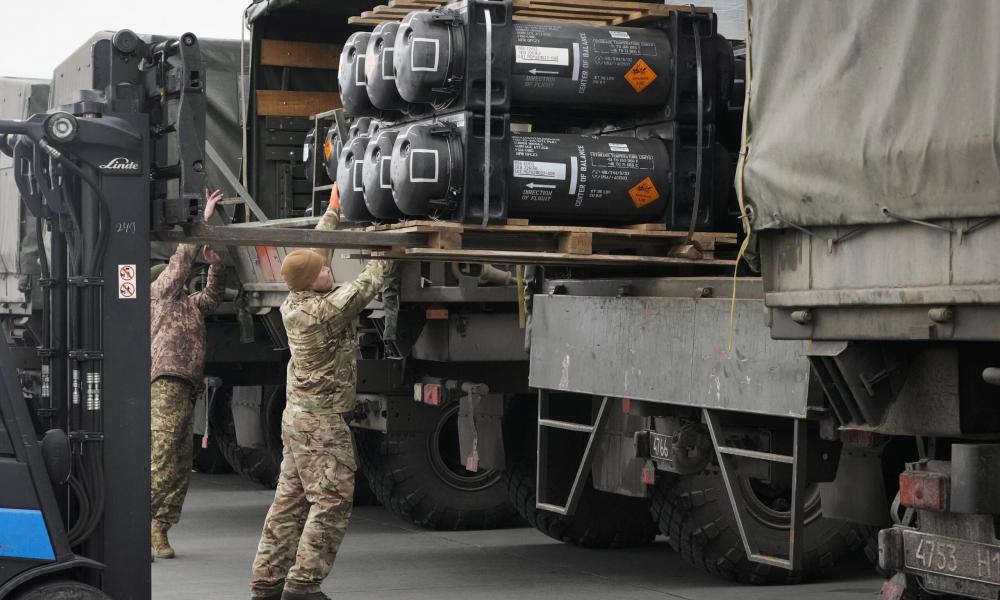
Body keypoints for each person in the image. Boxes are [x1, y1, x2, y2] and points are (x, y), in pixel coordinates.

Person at [249, 189, 393, 600]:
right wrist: (387, 239)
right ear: (315, 282)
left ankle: (266, 583)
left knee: (290, 503)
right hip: (320, 424)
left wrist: (332, 211)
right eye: (324, 271)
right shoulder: (323, 311)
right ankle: (303, 585)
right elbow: (371, 280)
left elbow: (317, 252)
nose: (330, 270)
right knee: (331, 501)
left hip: (298, 419)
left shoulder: (299, 296)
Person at [150, 189, 225, 559]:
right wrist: (203, 221)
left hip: (186, 386)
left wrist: (215, 265)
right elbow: (180, 263)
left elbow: (212, 297)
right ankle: (144, 521)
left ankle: (160, 527)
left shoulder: (189, 306)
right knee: (162, 454)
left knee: (180, 461)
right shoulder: (159, 295)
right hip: (165, 382)